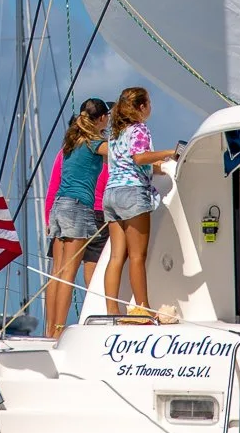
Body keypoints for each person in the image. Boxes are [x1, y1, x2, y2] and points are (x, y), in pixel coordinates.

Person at [103, 87, 176, 316]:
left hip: (111, 193)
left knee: (117, 256)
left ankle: (112, 311)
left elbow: (130, 162)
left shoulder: (115, 134)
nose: (151, 107)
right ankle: (142, 309)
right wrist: (169, 152)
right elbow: (140, 157)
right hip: (132, 193)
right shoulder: (139, 129)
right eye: (149, 103)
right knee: (137, 256)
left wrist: (159, 167)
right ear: (141, 107)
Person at [47, 97, 110, 336]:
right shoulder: (95, 142)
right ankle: (58, 331)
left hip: (59, 206)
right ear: (102, 118)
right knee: (68, 275)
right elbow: (123, 156)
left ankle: (50, 331)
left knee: (57, 273)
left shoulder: (72, 142)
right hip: (77, 207)